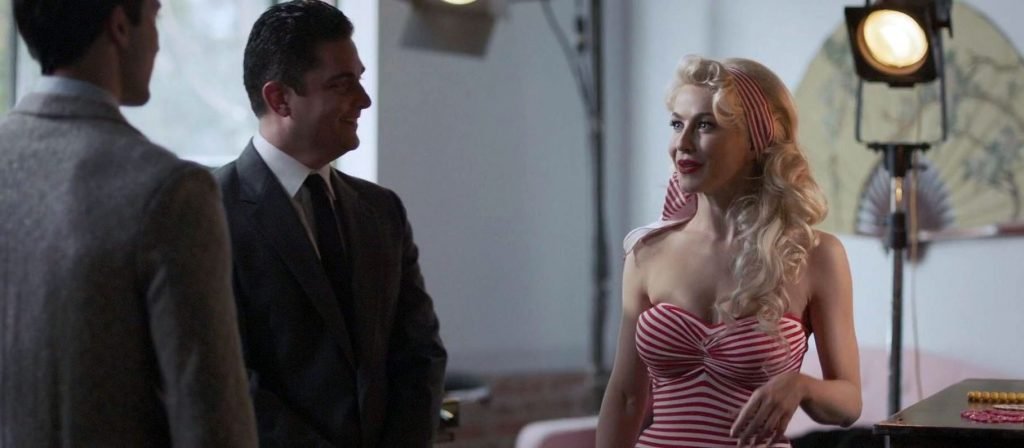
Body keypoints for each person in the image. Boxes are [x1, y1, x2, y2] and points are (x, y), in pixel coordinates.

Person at [0, 0, 258, 446]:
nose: (157, 43)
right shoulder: (171, 192)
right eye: (155, 16)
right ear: (120, 26)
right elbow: (213, 424)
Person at [596, 56, 862, 448]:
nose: (682, 144)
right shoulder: (647, 252)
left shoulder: (816, 255)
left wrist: (801, 386)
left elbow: (849, 403)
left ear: (757, 140)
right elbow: (625, 398)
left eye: (705, 125)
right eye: (677, 124)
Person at [214, 1, 448, 446]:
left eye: (359, 79)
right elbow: (224, 377)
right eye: (342, 85)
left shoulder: (382, 211)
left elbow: (420, 353)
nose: (364, 100)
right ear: (279, 99)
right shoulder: (208, 210)